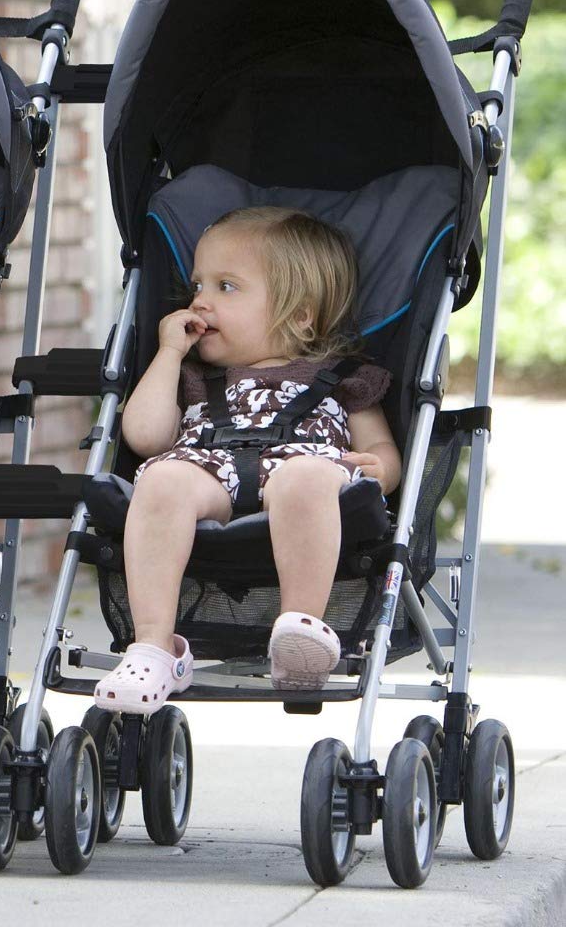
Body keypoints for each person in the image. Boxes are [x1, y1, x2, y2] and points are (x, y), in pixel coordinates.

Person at [93, 205, 402, 713]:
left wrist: (383, 470)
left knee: (304, 477)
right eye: (197, 285)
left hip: (305, 482)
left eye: (225, 287)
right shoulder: (194, 379)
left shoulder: (343, 379)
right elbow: (147, 437)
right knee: (163, 479)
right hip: (208, 474)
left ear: (300, 315)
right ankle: (152, 646)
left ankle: (299, 634)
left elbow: (381, 447)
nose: (200, 301)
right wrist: (168, 354)